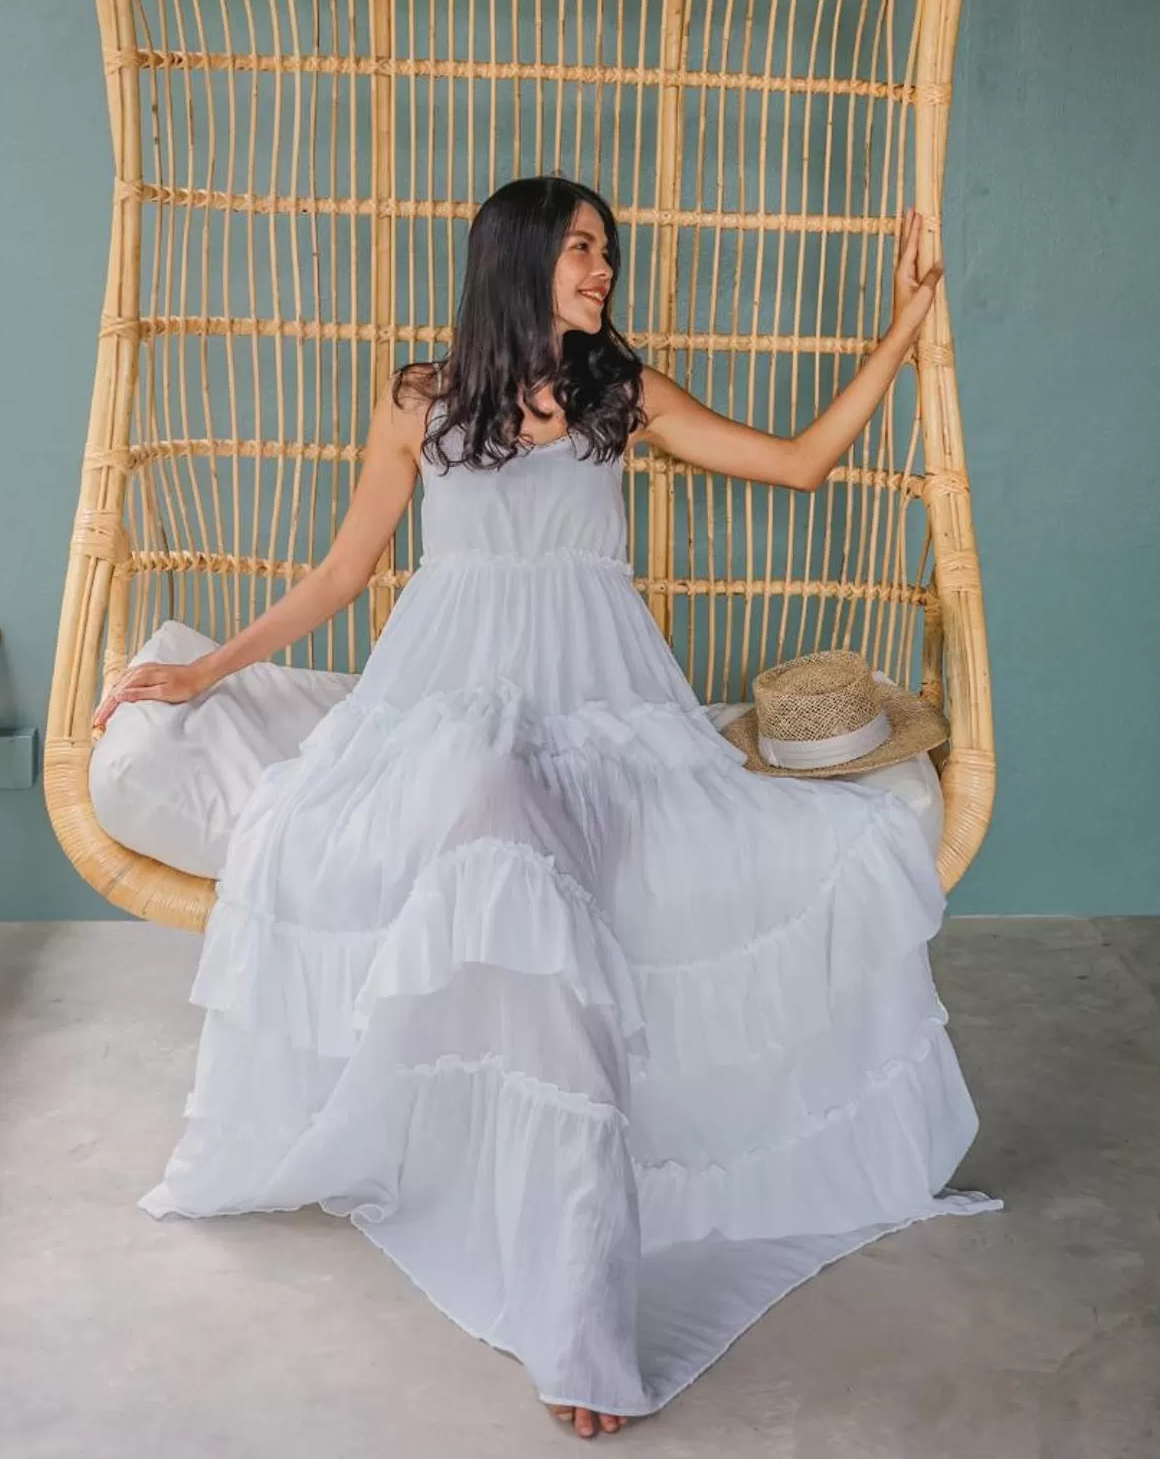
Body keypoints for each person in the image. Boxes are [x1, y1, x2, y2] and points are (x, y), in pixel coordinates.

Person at [93, 175, 999, 1436]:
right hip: (447, 700)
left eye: (608, 254)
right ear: (518, 257)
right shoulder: (422, 396)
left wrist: (905, 327)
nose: (603, 271)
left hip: (596, 708)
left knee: (564, 833)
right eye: (583, 250)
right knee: (481, 784)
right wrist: (203, 670)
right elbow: (346, 573)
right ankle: (567, 1283)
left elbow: (798, 463)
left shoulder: (619, 394)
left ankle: (577, 1293)